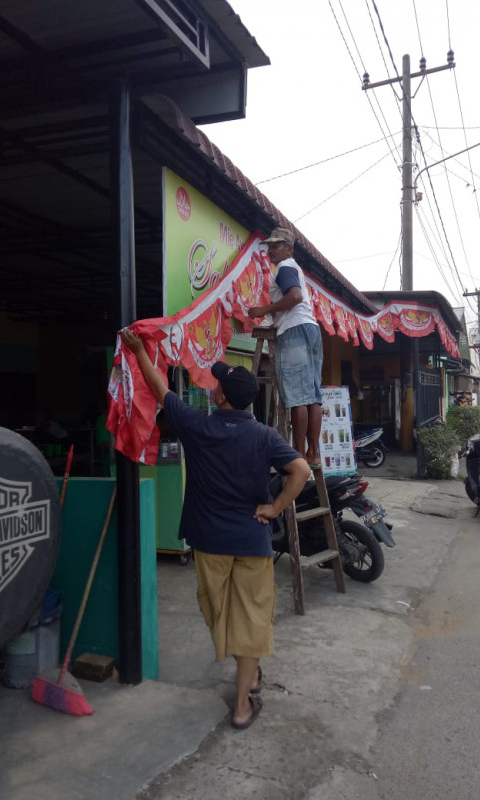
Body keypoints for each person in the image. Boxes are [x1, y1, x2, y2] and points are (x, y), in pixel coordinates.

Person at [120, 327, 311, 729]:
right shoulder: (264, 436)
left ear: (222, 396)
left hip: (209, 542)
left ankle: (246, 683)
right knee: (251, 622)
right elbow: (302, 470)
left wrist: (139, 351)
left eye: (216, 384)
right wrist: (274, 508)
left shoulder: (198, 426)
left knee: (221, 614)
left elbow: (159, 390)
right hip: (251, 541)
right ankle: (243, 701)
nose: (211, 387)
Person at [248, 227, 323, 467]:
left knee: (298, 398)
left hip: (294, 331)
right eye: (269, 245)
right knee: (312, 397)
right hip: (310, 330)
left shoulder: (285, 267)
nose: (270, 249)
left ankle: (299, 454)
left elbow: (295, 297)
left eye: (276, 245)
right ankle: (312, 453)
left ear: (289, 248)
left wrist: (263, 310)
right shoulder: (293, 269)